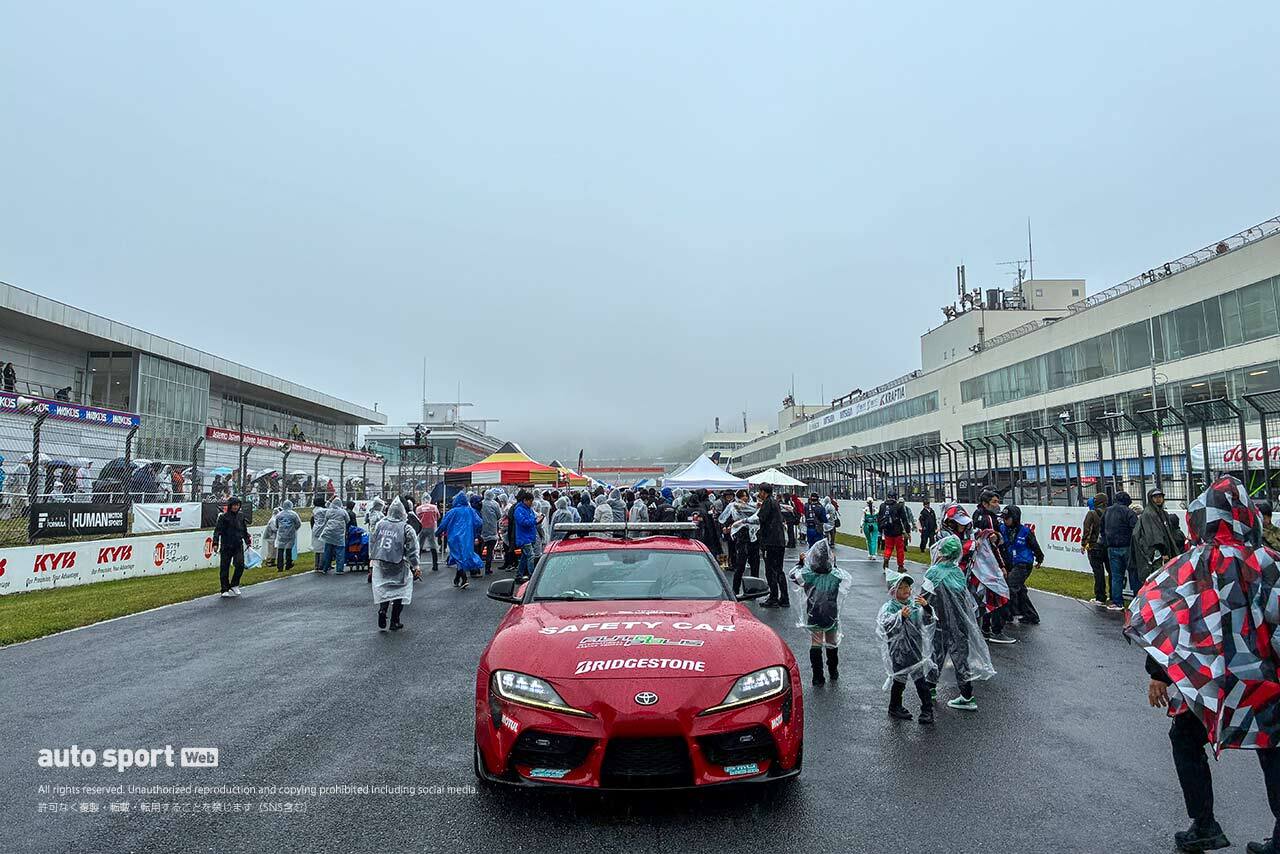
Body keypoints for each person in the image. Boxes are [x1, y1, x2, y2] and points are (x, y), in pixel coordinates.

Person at [1126, 476, 1280, 854]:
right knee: (1273, 746)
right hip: (1262, 680)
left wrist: (1158, 674)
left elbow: (1165, 619)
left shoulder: (1188, 565)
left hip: (1206, 679)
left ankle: (1204, 824)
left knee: (1184, 738)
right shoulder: (1268, 563)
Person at [923, 534, 996, 711]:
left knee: (936, 653)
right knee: (960, 657)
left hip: (940, 620)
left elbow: (925, 598)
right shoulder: (957, 572)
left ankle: (930, 687)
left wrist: (924, 619)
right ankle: (966, 695)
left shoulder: (933, 572)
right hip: (959, 622)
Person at [878, 571, 936, 723]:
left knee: (921, 682)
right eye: (901, 587)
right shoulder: (889, 607)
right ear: (893, 590)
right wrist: (900, 617)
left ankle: (927, 710)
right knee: (899, 681)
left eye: (908, 587)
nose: (906, 590)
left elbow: (928, 621)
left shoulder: (915, 605)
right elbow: (885, 625)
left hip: (915, 650)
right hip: (898, 652)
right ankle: (894, 707)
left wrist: (927, 607)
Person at [789, 539, 847, 686]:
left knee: (816, 643)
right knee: (831, 641)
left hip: (814, 614)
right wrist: (834, 563)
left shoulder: (808, 575)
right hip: (830, 615)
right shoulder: (835, 575)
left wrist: (801, 563)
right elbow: (841, 576)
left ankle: (817, 676)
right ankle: (833, 670)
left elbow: (793, 576)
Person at [370, 499, 421, 631]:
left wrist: (372, 558)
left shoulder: (380, 524)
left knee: (384, 588)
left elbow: (373, 541)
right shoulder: (406, 528)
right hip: (398, 562)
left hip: (381, 561)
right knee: (400, 591)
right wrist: (416, 566)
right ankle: (395, 621)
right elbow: (412, 550)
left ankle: (382, 610)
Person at [998, 505, 1043, 625]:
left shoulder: (1026, 531)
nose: (1005, 520)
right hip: (1011, 563)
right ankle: (1031, 615)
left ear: (1015, 518)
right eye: (1004, 518)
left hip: (1024, 564)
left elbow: (1035, 547)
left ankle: (1009, 614)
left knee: (1010, 587)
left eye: (1007, 518)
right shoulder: (1002, 528)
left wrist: (1040, 559)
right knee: (1020, 590)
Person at [1132, 488, 1179, 585]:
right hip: (1155, 555)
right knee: (1157, 579)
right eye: (1155, 497)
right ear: (1150, 498)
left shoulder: (1162, 513)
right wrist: (1163, 552)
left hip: (1163, 553)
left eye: (1160, 497)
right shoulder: (1149, 514)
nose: (1158, 499)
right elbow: (1154, 536)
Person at [720, 489, 760, 596]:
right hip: (741, 538)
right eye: (742, 496)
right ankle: (735, 590)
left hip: (754, 538)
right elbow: (724, 519)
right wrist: (728, 527)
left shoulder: (753, 506)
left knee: (755, 564)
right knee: (740, 565)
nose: (745, 498)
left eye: (746, 496)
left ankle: (754, 590)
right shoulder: (733, 507)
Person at [440, 491, 484, 589]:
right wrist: (474, 531)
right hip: (467, 537)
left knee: (458, 557)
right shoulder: (470, 511)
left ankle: (463, 578)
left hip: (454, 537)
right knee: (464, 556)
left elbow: (443, 524)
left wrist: (438, 532)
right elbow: (479, 522)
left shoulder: (452, 511)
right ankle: (458, 578)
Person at [755, 483, 788, 608]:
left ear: (763, 492)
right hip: (779, 541)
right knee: (779, 569)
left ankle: (773, 597)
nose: (759, 494)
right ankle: (784, 597)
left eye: (760, 492)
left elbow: (761, 518)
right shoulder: (775, 502)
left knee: (770, 570)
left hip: (770, 541)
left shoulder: (768, 503)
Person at [1103, 491, 1138, 609]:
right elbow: (1136, 530)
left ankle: (1117, 601)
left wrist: (1106, 541)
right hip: (1127, 546)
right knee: (1133, 574)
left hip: (1112, 547)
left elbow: (1101, 528)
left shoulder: (1107, 511)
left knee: (1116, 576)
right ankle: (1137, 599)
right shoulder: (1129, 512)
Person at [212, 496, 252, 598]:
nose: (236, 507)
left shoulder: (241, 516)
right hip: (226, 545)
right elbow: (217, 531)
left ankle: (234, 584)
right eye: (234, 505)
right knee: (224, 568)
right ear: (230, 506)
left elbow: (244, 530)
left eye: (237, 505)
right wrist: (215, 543)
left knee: (240, 564)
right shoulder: (223, 517)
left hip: (238, 545)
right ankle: (224, 588)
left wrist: (247, 540)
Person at [1082, 493, 1110, 607]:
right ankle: (1114, 596)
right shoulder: (1110, 512)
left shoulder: (1091, 513)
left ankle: (1100, 596)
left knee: (1098, 572)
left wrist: (1084, 544)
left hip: (1095, 546)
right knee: (1111, 572)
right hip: (1108, 545)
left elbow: (1087, 530)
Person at [314, 494, 349, 575]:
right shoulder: (343, 511)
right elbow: (347, 520)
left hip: (328, 533)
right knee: (340, 552)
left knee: (327, 551)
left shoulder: (329, 511)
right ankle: (339, 569)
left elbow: (326, 520)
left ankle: (325, 568)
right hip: (339, 534)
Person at [878, 492, 912, 571]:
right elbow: (904, 519)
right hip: (897, 531)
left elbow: (879, 518)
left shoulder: (882, 506)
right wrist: (907, 531)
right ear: (895, 497)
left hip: (887, 530)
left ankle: (886, 558)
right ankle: (900, 566)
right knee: (899, 549)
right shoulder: (898, 506)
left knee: (888, 547)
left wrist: (880, 529)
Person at [513, 490, 540, 581]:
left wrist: (537, 520)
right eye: (530, 501)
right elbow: (523, 522)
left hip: (529, 537)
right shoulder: (519, 510)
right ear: (525, 500)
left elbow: (531, 520)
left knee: (525, 557)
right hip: (524, 538)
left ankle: (519, 575)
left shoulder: (529, 510)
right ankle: (533, 577)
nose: (531, 503)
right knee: (531, 556)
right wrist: (535, 521)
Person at [270, 500, 301, 572]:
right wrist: (294, 529)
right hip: (290, 534)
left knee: (280, 550)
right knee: (289, 549)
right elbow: (298, 523)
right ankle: (288, 564)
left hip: (281, 534)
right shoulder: (294, 514)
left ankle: (279, 567)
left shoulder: (279, 515)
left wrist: (280, 529)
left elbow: (276, 524)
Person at [415, 497, 440, 571]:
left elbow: (416, 518)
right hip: (431, 528)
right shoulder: (434, 507)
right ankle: (435, 565)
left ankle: (416, 565)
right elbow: (438, 516)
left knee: (419, 546)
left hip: (421, 528)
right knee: (433, 546)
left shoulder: (419, 508)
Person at [480, 489, 502, 575]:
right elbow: (499, 515)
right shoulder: (495, 504)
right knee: (490, 550)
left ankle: (477, 568)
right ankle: (488, 569)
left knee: (479, 550)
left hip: (482, 530)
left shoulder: (480, 503)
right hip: (492, 530)